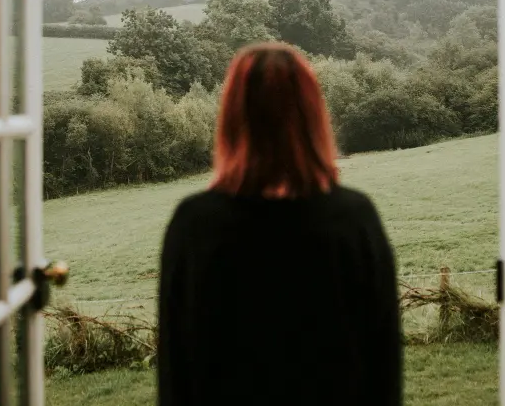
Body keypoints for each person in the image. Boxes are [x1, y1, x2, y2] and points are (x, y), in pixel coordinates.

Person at [157, 42, 402, 406]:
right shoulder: (354, 219)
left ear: (232, 117)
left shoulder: (194, 225)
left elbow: (176, 370)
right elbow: (383, 366)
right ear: (312, 115)